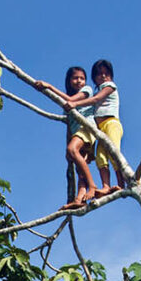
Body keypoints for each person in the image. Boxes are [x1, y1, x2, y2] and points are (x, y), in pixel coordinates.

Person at [35, 67, 100, 208]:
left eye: (82, 78)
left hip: (87, 128)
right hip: (77, 133)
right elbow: (69, 125)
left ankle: (92, 186)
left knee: (73, 150)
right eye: (75, 78)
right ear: (69, 81)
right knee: (79, 168)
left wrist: (49, 86)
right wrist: (68, 145)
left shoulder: (87, 90)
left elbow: (71, 99)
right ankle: (79, 199)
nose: (79, 81)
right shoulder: (67, 106)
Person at [65, 59, 124, 196]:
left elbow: (95, 100)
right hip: (99, 129)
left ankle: (121, 183)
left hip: (111, 123)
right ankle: (106, 186)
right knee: (101, 157)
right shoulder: (98, 90)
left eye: (106, 73)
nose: (103, 76)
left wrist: (73, 104)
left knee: (113, 152)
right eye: (99, 74)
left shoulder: (110, 86)